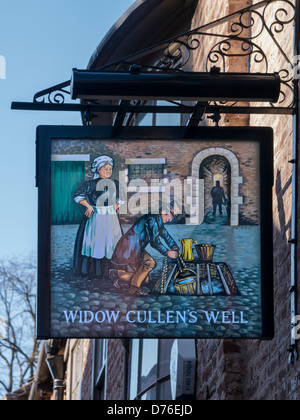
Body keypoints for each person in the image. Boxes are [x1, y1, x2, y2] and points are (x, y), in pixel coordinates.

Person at [110, 201, 180, 297]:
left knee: (146, 279)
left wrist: (174, 246)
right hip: (129, 250)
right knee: (150, 263)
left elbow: (165, 235)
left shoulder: (156, 219)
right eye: (172, 216)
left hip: (135, 250)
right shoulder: (151, 220)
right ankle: (134, 288)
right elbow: (154, 242)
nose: (171, 220)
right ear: (165, 210)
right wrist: (167, 252)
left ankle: (118, 275)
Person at [73, 155, 124, 279]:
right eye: (105, 168)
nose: (108, 171)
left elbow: (122, 197)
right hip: (97, 217)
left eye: (110, 168)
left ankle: (110, 270)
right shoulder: (90, 184)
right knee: (97, 242)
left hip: (110, 217)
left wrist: (115, 206)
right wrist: (88, 206)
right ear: (98, 169)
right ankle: (95, 271)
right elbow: (78, 196)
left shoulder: (115, 184)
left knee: (111, 241)